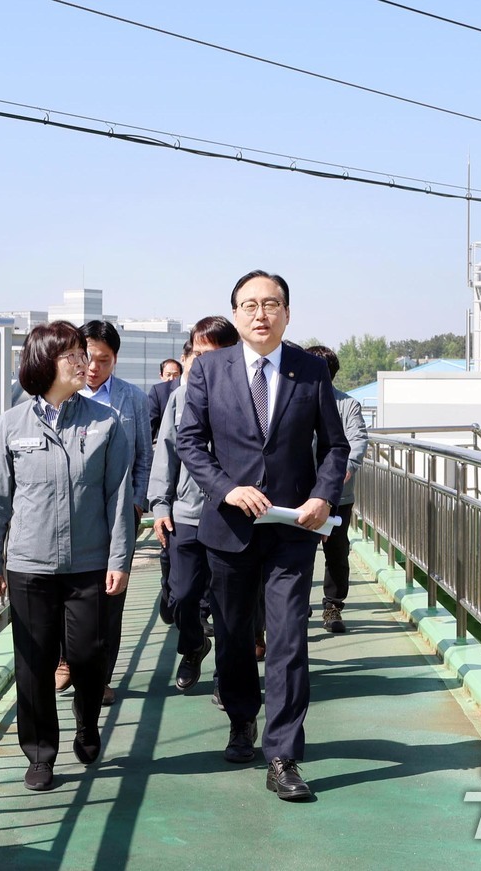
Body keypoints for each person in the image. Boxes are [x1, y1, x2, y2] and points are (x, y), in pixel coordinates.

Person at [175, 269, 348, 802]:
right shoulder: (208, 369)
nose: (260, 314)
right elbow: (189, 440)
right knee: (231, 636)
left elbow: (335, 446)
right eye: (249, 305)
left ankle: (283, 753)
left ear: (287, 312)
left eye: (270, 304)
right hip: (228, 529)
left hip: (292, 531)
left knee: (290, 640)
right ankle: (241, 720)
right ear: (235, 314)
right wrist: (225, 489)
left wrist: (322, 495)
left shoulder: (309, 371)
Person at [0, 321, 134, 792]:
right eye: (72, 355)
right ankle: (40, 754)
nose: (83, 362)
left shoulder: (106, 423)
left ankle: (87, 722)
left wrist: (120, 558)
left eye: (83, 353)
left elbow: (119, 498)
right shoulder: (11, 424)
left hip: (88, 563)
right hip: (28, 564)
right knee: (33, 663)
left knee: (88, 656)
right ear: (45, 361)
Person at [54, 319, 151, 707]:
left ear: (115, 360)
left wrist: (138, 501)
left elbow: (144, 454)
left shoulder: (133, 399)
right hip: (70, 512)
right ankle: (64, 661)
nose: (93, 368)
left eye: (104, 360)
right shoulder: (59, 394)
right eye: (87, 358)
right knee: (65, 587)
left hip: (118, 511)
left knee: (111, 596)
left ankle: (100, 677)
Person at [149, 316, 240, 693]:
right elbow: (166, 453)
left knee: (228, 602)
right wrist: (160, 505)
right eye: (197, 354)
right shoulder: (179, 397)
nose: (203, 363)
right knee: (182, 594)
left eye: (213, 354)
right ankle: (193, 646)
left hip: (232, 515)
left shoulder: (248, 395)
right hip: (185, 513)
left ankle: (226, 675)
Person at [304, 344, 371, 634]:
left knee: (336, 551)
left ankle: (333, 606)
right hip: (300, 492)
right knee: (297, 552)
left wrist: (346, 468)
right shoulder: (294, 400)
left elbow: (358, 439)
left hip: (337, 494)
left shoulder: (347, 405)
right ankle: (295, 602)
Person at [146, 357, 184, 622]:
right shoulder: (161, 393)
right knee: (170, 549)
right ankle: (168, 591)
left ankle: (199, 615)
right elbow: (151, 428)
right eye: (168, 373)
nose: (172, 377)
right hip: (170, 473)